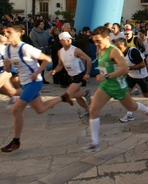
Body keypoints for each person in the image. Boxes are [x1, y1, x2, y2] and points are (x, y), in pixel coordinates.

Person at [1, 23, 73, 153]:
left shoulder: (25, 48)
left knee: (16, 110)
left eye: (9, 32)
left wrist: (37, 72)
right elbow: (9, 69)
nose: (6, 34)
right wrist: (7, 66)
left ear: (18, 33)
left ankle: (15, 141)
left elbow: (47, 59)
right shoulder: (7, 50)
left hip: (34, 82)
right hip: (24, 83)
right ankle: (63, 97)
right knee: (40, 109)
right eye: (5, 32)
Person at [83, 26, 148, 152]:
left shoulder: (114, 51)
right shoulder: (100, 50)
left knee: (131, 107)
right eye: (94, 41)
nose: (96, 43)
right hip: (105, 86)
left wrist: (106, 75)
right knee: (93, 110)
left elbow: (125, 69)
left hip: (118, 86)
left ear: (107, 38)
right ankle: (94, 142)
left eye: (98, 41)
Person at [114, 36, 148, 122]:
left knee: (146, 95)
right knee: (126, 94)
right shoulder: (120, 53)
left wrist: (130, 68)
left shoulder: (133, 52)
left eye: (119, 47)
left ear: (125, 45)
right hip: (131, 76)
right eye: (116, 47)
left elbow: (142, 65)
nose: (118, 49)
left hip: (141, 76)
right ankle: (129, 114)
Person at [50, 32, 92, 118]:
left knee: (69, 94)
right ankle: (89, 110)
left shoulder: (76, 50)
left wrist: (87, 73)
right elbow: (60, 65)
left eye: (70, 39)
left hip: (79, 74)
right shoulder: (60, 52)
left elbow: (88, 59)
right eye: (66, 39)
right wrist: (55, 71)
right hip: (70, 75)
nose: (69, 40)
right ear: (61, 41)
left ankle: (86, 93)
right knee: (77, 97)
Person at [29, 20, 50, 84]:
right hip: (38, 51)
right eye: (41, 24)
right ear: (37, 25)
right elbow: (33, 42)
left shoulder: (43, 32)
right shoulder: (33, 32)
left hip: (44, 50)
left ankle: (42, 78)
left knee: (43, 66)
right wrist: (38, 48)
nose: (42, 25)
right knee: (37, 66)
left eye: (43, 24)